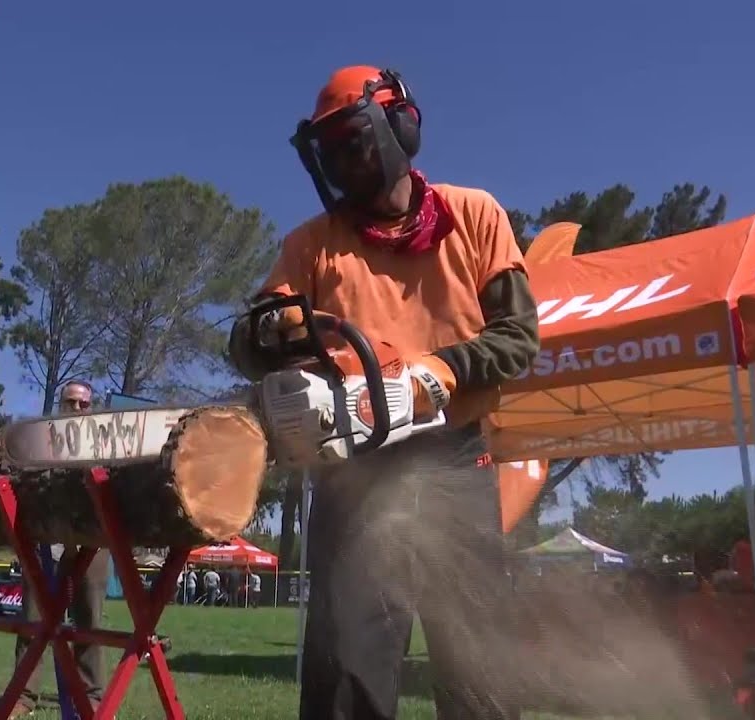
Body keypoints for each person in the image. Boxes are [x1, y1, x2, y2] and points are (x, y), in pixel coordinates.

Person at [227, 65, 540, 720]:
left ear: (398, 124)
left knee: (481, 667)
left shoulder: (474, 215)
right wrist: (284, 331)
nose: (344, 160)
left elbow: (516, 338)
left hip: (455, 460)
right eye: (332, 148)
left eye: (354, 139)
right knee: (348, 669)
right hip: (354, 473)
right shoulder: (311, 245)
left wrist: (437, 375)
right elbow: (248, 338)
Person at [8, 380, 111, 719]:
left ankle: (92, 696)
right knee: (33, 621)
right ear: (60, 405)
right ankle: (24, 695)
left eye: (84, 404)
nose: (77, 409)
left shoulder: (105, 444)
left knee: (88, 621)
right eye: (71, 403)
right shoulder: (40, 441)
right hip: (46, 545)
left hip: (90, 543)